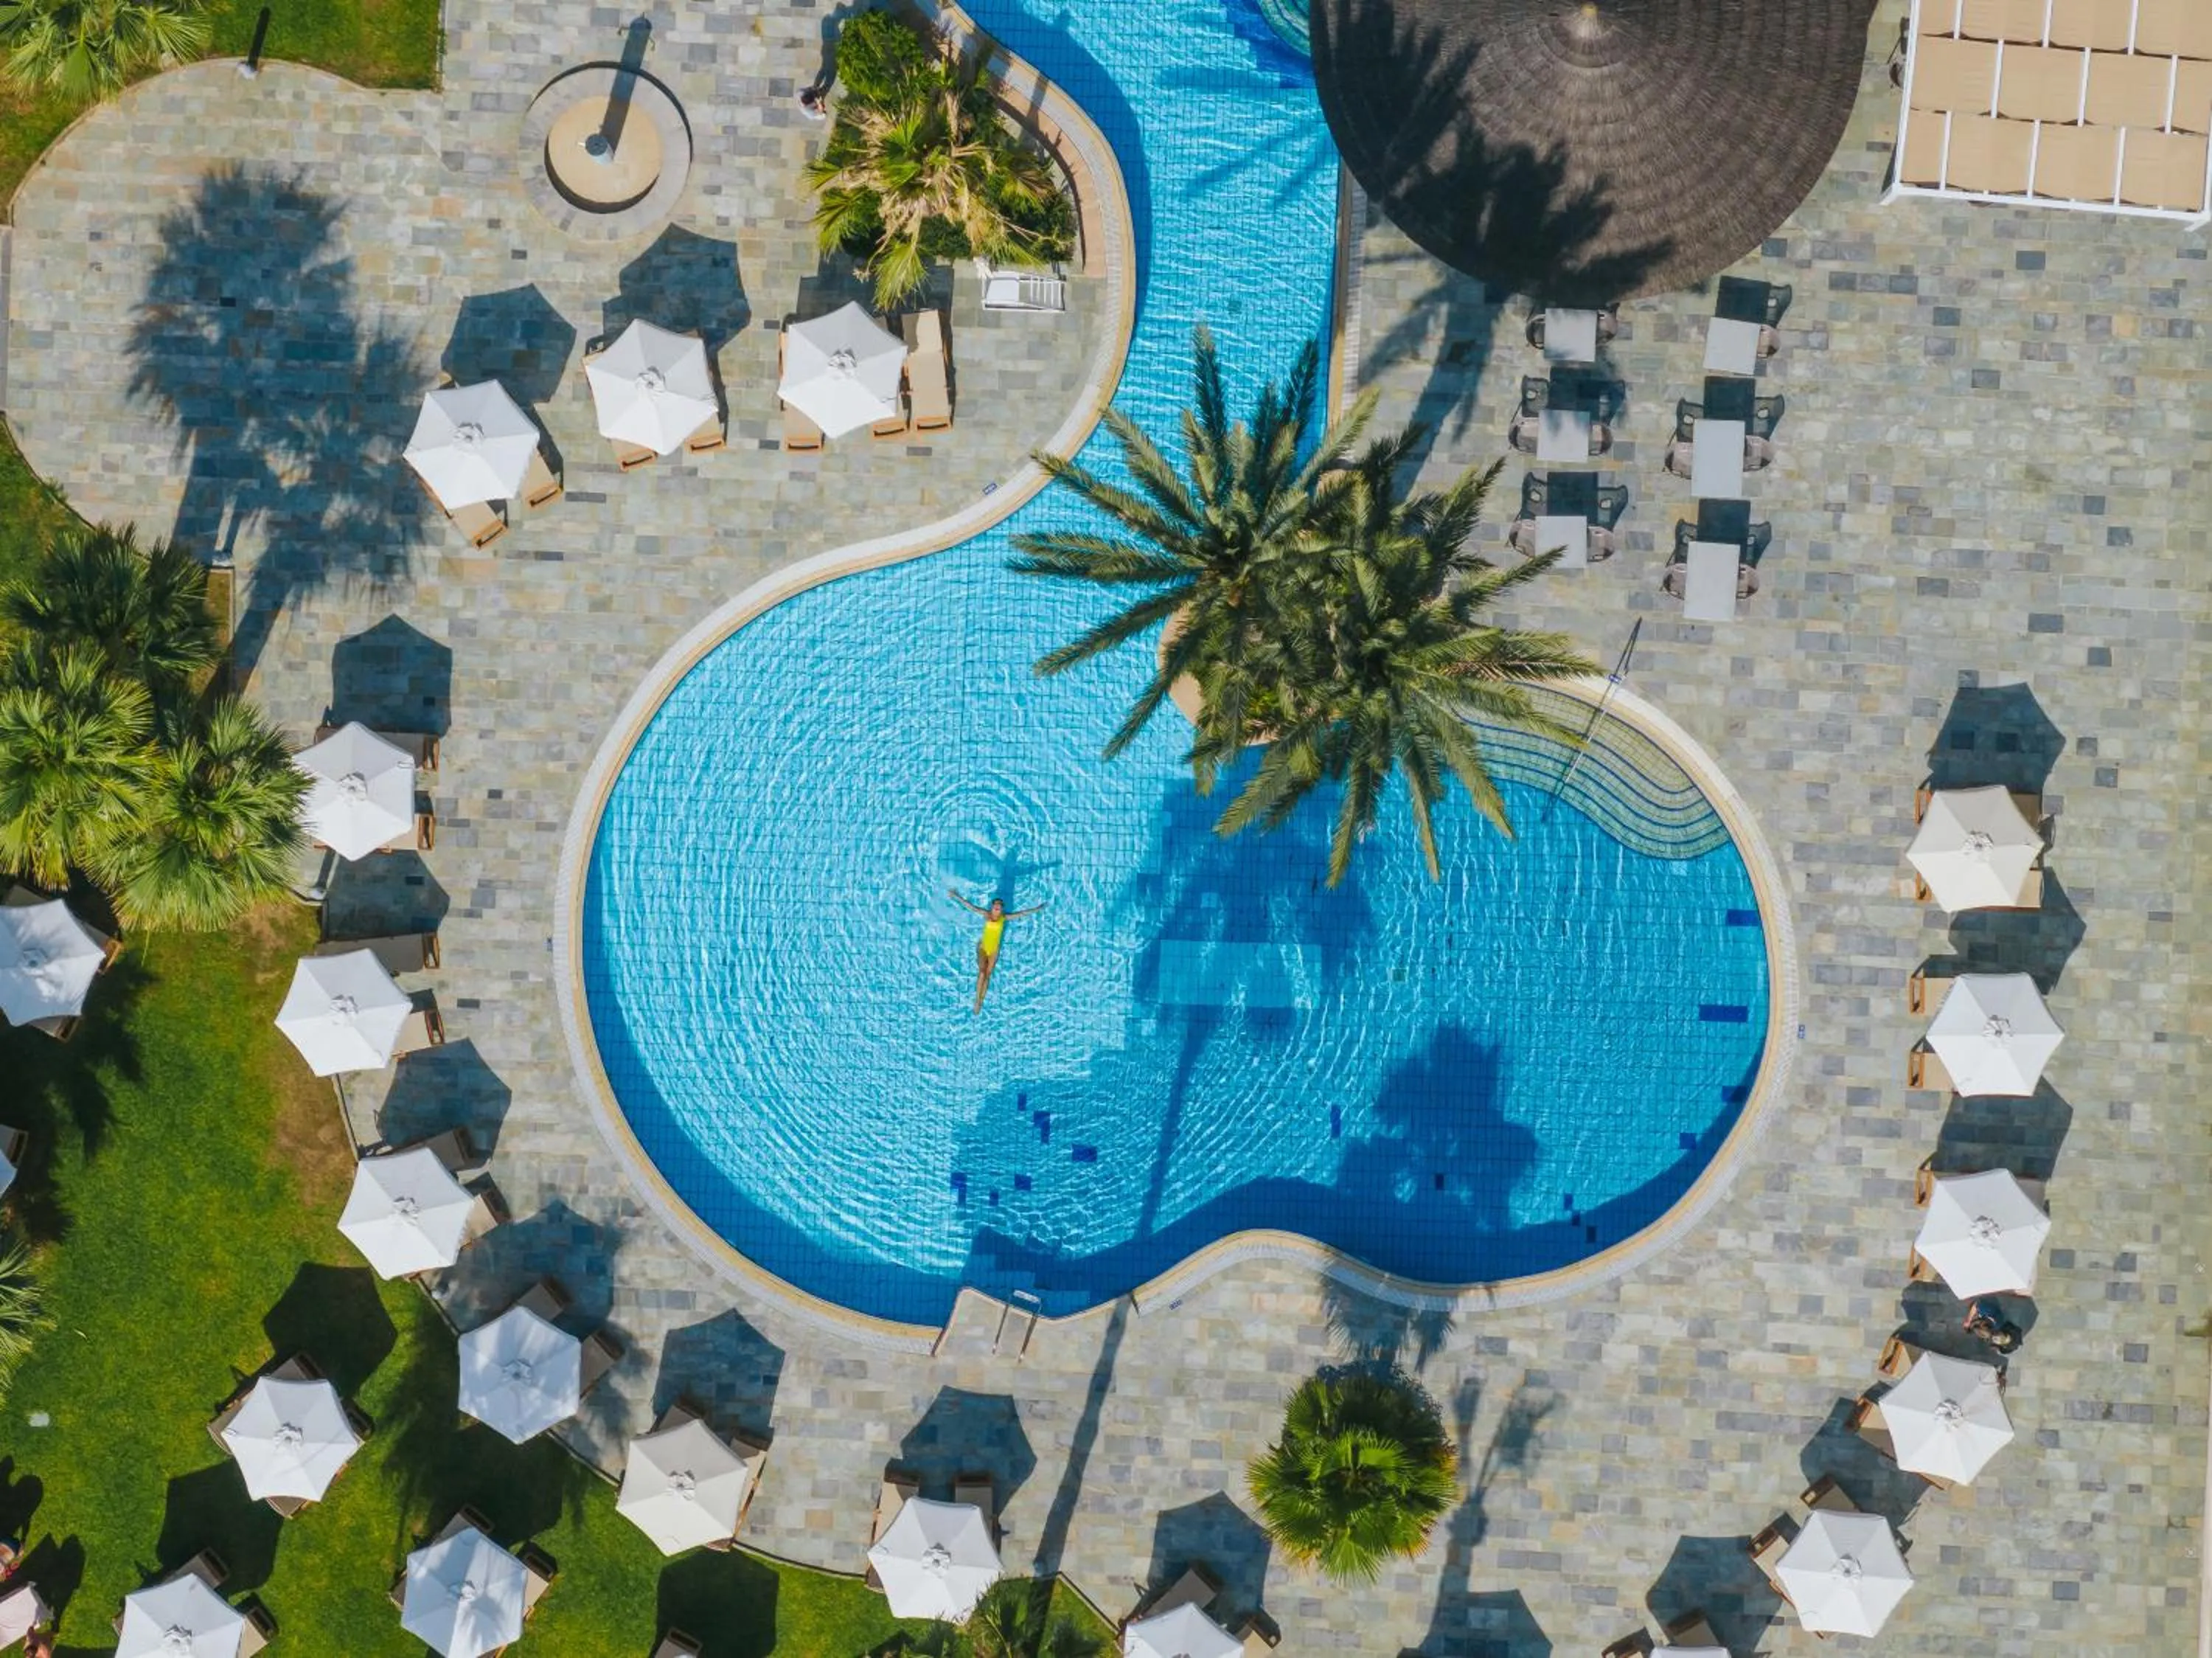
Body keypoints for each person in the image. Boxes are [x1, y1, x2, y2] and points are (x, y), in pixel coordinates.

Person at [949, 888, 1045, 1011]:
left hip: (994, 950)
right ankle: (977, 1000)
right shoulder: (986, 915)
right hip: (983, 948)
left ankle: (982, 1001)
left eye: (999, 907)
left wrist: (1037, 909)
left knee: (988, 975)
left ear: (1001, 910)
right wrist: (957, 896)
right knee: (982, 972)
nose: (997, 909)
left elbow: (1022, 913)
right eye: (995, 906)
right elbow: (971, 907)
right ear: (992, 907)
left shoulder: (1004, 918)